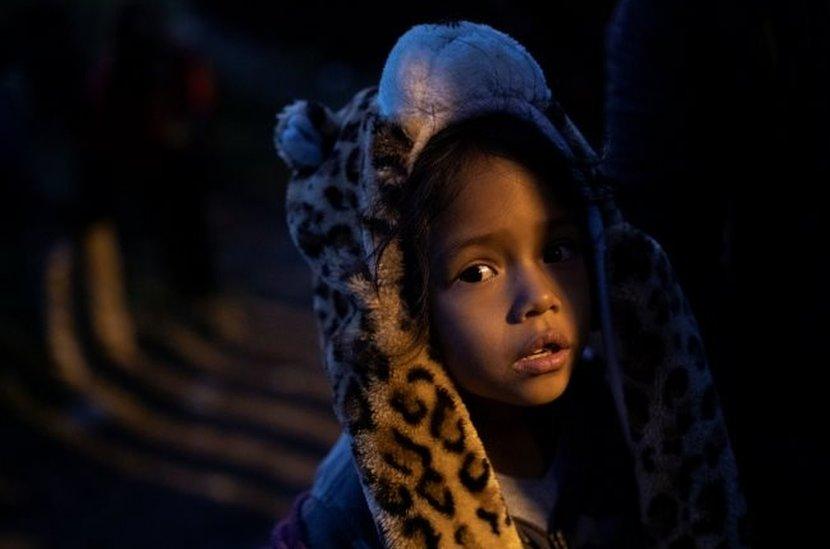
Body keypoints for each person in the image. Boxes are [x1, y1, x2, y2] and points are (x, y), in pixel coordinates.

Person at [269, 21, 746, 548]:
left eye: (558, 251)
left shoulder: (626, 428)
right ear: (406, 302)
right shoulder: (354, 505)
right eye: (478, 272)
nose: (539, 298)